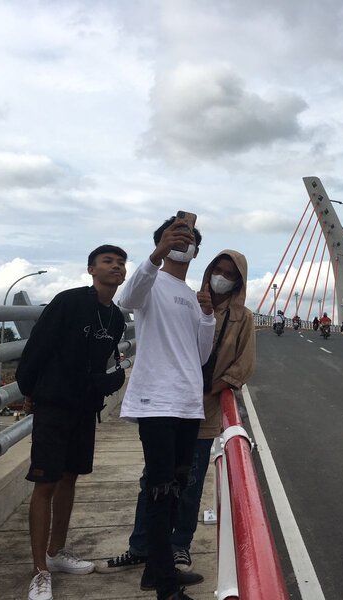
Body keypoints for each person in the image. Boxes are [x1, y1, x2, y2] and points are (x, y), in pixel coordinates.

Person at [100, 250, 255, 578]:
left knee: (189, 480)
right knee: (154, 481)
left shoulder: (243, 317)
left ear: (238, 281)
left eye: (229, 274)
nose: (221, 277)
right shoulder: (186, 298)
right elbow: (137, 309)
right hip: (169, 403)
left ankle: (177, 545)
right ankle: (143, 548)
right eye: (218, 270)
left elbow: (243, 364)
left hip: (203, 407)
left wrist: (209, 391)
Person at [16, 245, 128, 600]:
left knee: (69, 478)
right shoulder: (68, 301)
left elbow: (105, 362)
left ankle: (57, 552)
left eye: (121, 263)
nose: (116, 267)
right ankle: (39, 571)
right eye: (108, 261)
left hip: (84, 408)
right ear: (91, 269)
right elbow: (37, 347)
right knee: (45, 481)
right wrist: (30, 390)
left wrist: (111, 381)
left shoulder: (116, 317)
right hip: (54, 404)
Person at [117, 216, 216, 600]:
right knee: (159, 491)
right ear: (161, 243)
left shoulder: (192, 296)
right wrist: (156, 254)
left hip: (189, 404)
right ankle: (165, 588)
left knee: (176, 488)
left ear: (196, 251)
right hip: (156, 402)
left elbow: (201, 354)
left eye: (189, 238)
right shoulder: (150, 281)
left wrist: (207, 315)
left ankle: (159, 570)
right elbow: (127, 301)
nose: (183, 241)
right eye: (175, 236)